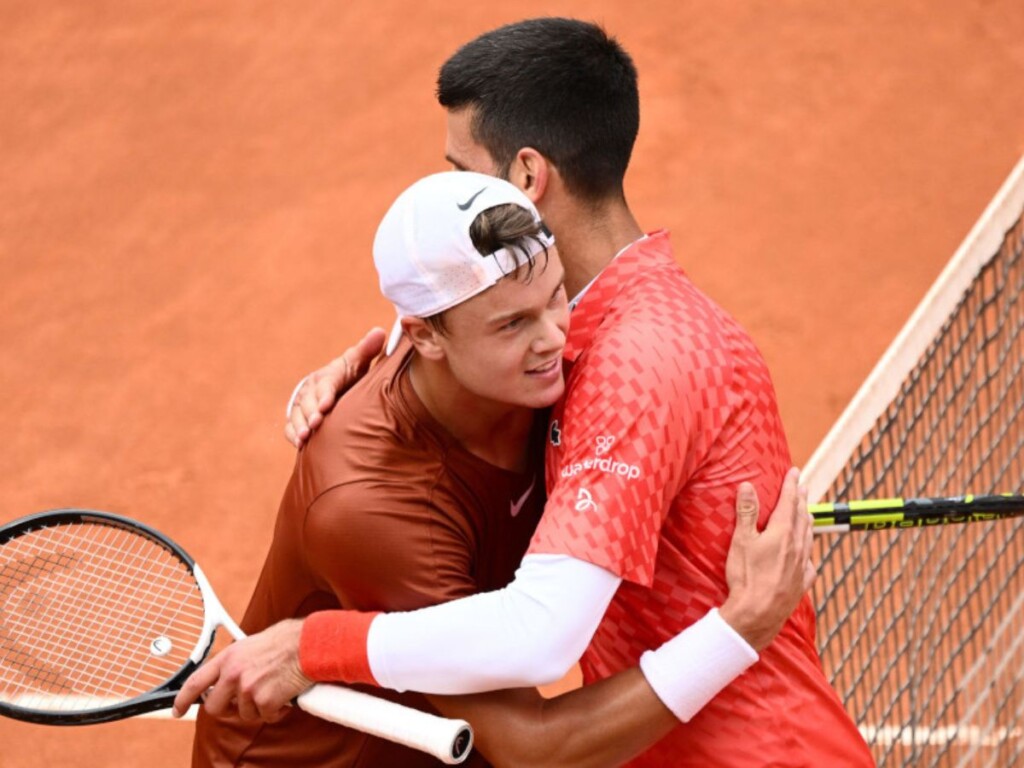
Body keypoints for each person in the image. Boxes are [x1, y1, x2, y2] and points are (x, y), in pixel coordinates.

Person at [178, 18, 874, 766]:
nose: (453, 194)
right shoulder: (572, 319)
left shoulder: (631, 360)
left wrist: (317, 645)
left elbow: (540, 641)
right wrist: (376, 371)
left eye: (459, 171)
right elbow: (456, 313)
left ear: (526, 179)